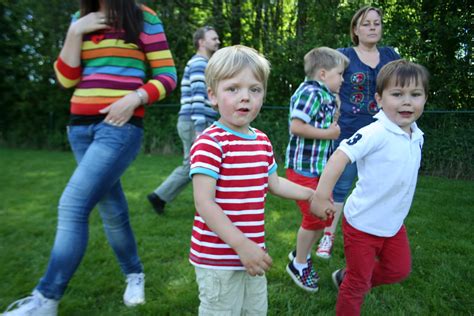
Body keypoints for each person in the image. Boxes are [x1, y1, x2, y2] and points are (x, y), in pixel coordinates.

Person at [2, 1, 177, 315]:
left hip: (119, 128)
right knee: (111, 208)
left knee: (72, 203)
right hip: (79, 130)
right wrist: (75, 30)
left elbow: (167, 76)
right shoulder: (79, 19)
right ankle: (134, 274)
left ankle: (46, 300)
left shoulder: (143, 17)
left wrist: (134, 98)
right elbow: (67, 79)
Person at [189, 45, 315, 315]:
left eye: (254, 89)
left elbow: (275, 183)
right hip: (219, 259)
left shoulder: (261, 140)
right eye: (233, 89)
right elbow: (204, 202)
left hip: (253, 254)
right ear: (213, 95)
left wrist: (310, 194)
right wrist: (241, 245)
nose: (245, 97)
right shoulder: (210, 142)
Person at [311, 59, 429, 315]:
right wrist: (321, 196)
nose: (407, 101)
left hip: (394, 224)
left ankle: (346, 276)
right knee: (357, 285)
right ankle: (353, 281)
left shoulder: (417, 136)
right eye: (397, 94)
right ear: (379, 99)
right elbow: (339, 156)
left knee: (398, 269)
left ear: (425, 99)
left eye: (415, 94)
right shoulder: (375, 132)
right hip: (362, 224)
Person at [315, 5, 401, 260]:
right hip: (348, 132)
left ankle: (375, 240)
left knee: (380, 188)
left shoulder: (390, 55)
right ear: (355, 29)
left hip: (383, 132)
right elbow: (322, 83)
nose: (372, 27)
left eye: (376, 23)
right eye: (366, 23)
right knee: (340, 187)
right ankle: (327, 237)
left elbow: (401, 88)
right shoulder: (343, 55)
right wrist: (333, 104)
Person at [284, 47, 349, 292]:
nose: (342, 79)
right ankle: (299, 264)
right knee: (315, 216)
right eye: (339, 74)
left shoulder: (325, 94)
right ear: (323, 73)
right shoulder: (310, 92)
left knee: (325, 215)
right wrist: (329, 134)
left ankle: (300, 254)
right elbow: (297, 127)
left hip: (317, 169)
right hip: (303, 170)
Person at [147, 26, 220, 215]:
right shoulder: (199, 64)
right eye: (213, 38)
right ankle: (159, 196)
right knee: (193, 164)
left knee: (198, 163)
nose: (218, 41)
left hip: (199, 120)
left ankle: (162, 197)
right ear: (201, 42)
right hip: (195, 121)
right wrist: (199, 128)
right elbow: (197, 96)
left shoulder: (205, 64)